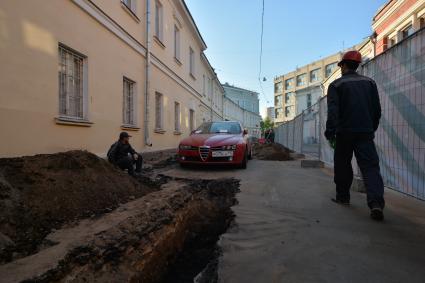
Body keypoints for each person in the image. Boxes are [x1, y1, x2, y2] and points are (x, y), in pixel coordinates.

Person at [325, 50, 385, 221]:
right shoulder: (370, 83)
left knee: (343, 164)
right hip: (365, 132)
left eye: (341, 65)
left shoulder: (336, 85)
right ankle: (376, 204)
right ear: (357, 65)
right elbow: (377, 110)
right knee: (370, 168)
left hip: (344, 133)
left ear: (343, 65)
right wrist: (371, 128)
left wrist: (330, 132)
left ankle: (343, 197)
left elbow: (333, 112)